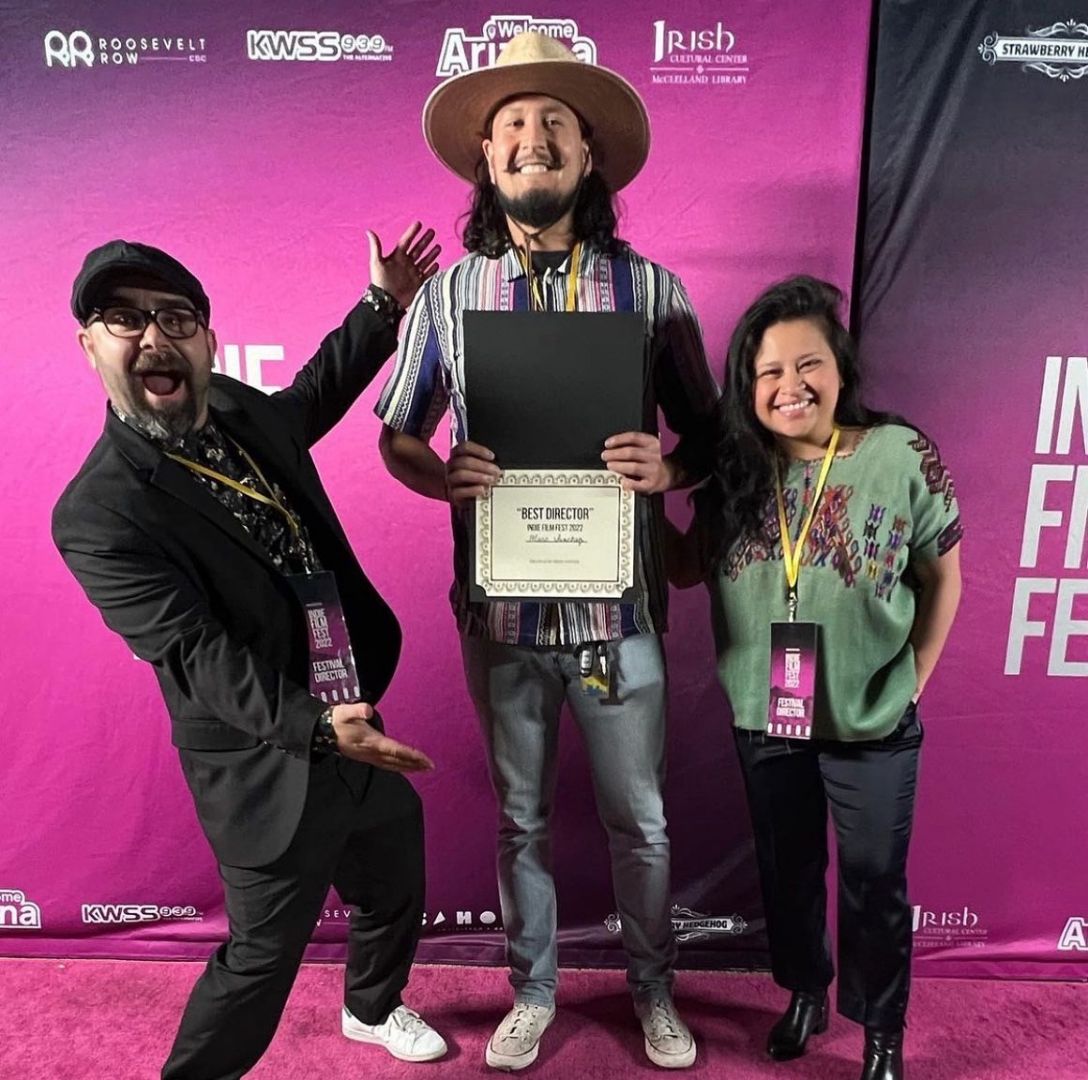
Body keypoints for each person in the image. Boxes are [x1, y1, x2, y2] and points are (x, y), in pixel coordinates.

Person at [375, 31, 718, 1073]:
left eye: (555, 123)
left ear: (588, 154)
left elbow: (710, 439)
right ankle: (532, 991)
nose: (534, 138)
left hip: (619, 615)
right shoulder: (446, 298)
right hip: (502, 617)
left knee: (641, 824)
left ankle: (652, 990)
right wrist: (444, 477)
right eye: (514, 124)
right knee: (519, 822)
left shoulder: (653, 292)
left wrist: (668, 469)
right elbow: (396, 436)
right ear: (486, 156)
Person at [53, 228, 447, 1079]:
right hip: (267, 760)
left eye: (176, 318)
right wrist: (317, 728)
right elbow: (193, 654)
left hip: (349, 712)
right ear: (90, 347)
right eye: (125, 319)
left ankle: (371, 1008)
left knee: (394, 874)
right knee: (260, 961)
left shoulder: (233, 406)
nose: (154, 337)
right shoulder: (99, 513)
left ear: (207, 340)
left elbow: (307, 401)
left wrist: (382, 308)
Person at [670, 276, 962, 1080]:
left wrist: (915, 679)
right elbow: (686, 568)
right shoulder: (735, 472)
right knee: (787, 868)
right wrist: (637, 498)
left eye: (808, 365)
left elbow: (945, 577)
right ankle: (805, 992)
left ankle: (881, 1030)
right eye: (769, 371)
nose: (790, 385)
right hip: (767, 718)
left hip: (874, 715)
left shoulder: (899, 455)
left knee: (874, 877)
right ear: (747, 387)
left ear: (840, 369)